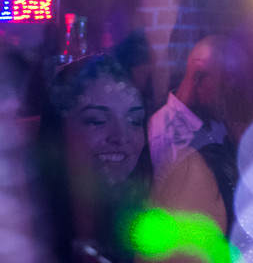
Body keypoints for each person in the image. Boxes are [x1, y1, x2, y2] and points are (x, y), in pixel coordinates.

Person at [34, 54, 151, 263]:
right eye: (97, 120)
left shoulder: (150, 217)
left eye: (135, 120)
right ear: (58, 131)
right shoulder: (25, 225)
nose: (121, 137)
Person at [148, 35, 230, 177]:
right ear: (198, 78)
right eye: (224, 86)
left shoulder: (218, 123)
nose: (230, 96)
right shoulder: (161, 132)